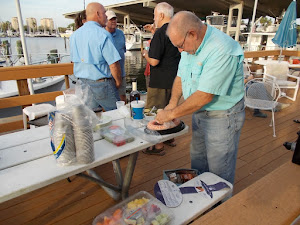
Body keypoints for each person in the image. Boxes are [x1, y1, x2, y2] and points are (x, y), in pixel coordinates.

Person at [156, 11, 245, 185]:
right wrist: (172, 103)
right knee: (198, 161)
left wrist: (171, 114)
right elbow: (181, 76)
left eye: (180, 45)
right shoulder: (190, 44)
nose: (180, 50)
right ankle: (202, 199)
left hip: (222, 116)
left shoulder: (221, 49)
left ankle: (219, 209)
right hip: (200, 113)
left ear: (192, 33)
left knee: (219, 171)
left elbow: (204, 95)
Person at [142, 2, 181, 156]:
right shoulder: (177, 30)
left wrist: (145, 54)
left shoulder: (160, 33)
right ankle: (170, 138)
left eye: (155, 15)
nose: (154, 19)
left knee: (153, 112)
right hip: (174, 80)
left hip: (159, 82)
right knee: (169, 110)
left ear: (162, 15)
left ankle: (156, 146)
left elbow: (154, 61)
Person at [70, 2, 122, 111]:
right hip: (101, 84)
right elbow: (113, 64)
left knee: (90, 119)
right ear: (97, 14)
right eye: (104, 13)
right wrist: (118, 82)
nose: (106, 17)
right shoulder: (103, 34)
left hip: (82, 84)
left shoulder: (74, 35)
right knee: (117, 116)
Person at [105, 10, 127, 102]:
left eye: (114, 19)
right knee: (108, 101)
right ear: (105, 21)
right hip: (107, 76)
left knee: (122, 98)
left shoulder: (121, 33)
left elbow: (123, 50)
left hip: (121, 73)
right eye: (111, 19)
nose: (114, 21)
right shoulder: (102, 35)